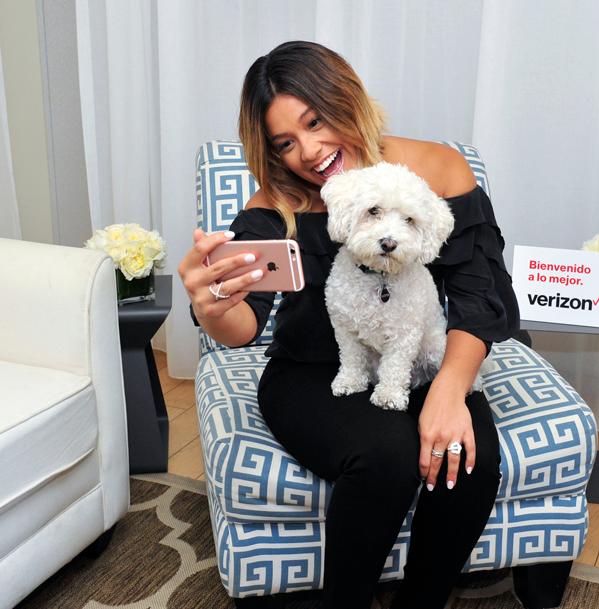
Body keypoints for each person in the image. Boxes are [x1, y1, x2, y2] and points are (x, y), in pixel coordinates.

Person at [178, 41, 520, 609]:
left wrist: (449, 391)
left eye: (316, 122)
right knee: (385, 459)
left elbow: (476, 295)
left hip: (420, 356)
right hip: (311, 373)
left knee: (467, 458)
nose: (309, 152)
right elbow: (244, 325)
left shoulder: (435, 167)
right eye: (285, 142)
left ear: (348, 98)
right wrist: (212, 307)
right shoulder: (276, 204)